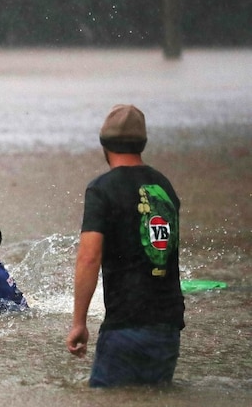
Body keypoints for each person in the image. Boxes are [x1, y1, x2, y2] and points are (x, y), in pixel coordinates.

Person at [65, 104, 184, 388]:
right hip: (168, 324)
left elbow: (89, 258)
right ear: (143, 143)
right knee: (153, 402)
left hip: (126, 322)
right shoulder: (163, 186)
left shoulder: (102, 189)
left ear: (103, 143)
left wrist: (79, 322)